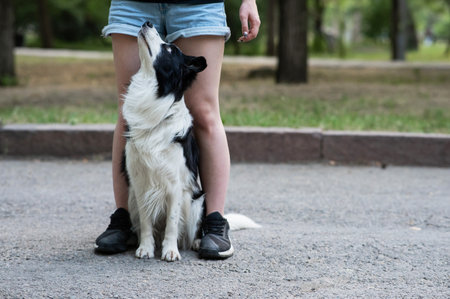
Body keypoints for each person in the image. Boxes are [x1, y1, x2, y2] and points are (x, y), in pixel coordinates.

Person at [95, 0, 260, 259]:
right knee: (128, 112)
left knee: (204, 112)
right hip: (132, 4)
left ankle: (214, 223)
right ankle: (124, 220)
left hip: (198, 5)